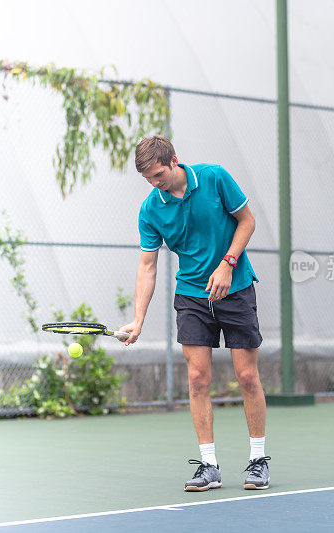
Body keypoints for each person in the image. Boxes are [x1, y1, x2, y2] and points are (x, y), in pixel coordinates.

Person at [119, 135, 270, 491]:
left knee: (247, 377)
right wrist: (138, 318)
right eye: (147, 179)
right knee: (198, 379)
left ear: (174, 161)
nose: (154, 184)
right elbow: (147, 266)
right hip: (191, 297)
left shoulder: (215, 177)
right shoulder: (150, 209)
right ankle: (209, 466)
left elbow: (247, 221)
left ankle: (258, 460)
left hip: (235, 288)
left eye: (158, 174)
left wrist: (228, 263)